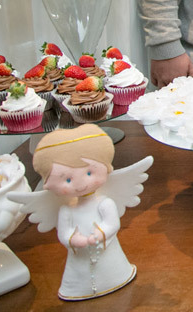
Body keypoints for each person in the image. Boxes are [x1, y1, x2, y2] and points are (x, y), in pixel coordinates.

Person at [32, 125, 135, 300]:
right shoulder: (66, 210)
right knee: (79, 272)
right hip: (80, 256)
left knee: (112, 266)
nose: (80, 184)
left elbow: (112, 223)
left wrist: (100, 233)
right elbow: (64, 233)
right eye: (68, 179)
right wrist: (73, 239)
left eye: (89, 172)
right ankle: (77, 289)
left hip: (104, 248)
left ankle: (118, 276)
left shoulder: (104, 203)